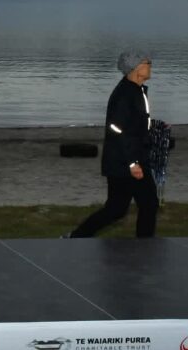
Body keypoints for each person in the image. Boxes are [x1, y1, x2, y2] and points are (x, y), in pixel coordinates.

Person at [68, 51, 160, 238]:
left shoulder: (135, 90)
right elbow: (117, 129)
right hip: (126, 161)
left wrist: (154, 130)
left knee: (119, 208)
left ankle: (77, 236)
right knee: (145, 204)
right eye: (146, 62)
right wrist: (133, 162)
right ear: (135, 68)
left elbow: (133, 124)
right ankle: (145, 245)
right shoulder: (125, 94)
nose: (150, 64)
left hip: (128, 158)